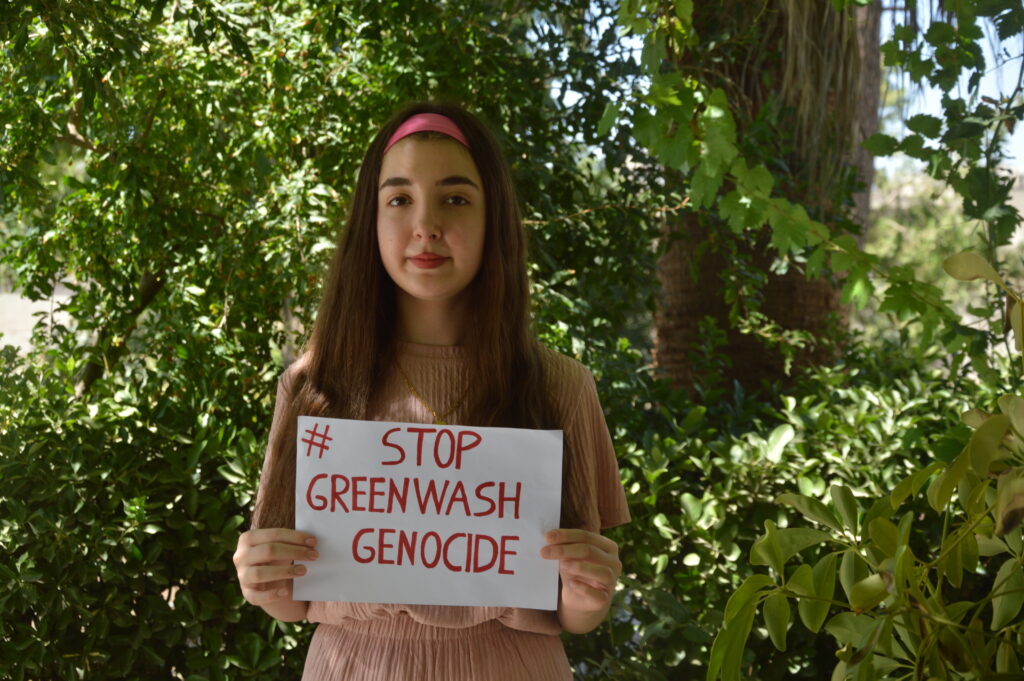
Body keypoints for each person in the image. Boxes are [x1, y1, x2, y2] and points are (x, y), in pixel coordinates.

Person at [232, 102, 630, 680]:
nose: (426, 225)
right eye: (399, 199)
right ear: (369, 221)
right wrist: (259, 580)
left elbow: (573, 610)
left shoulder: (560, 385)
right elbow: (292, 601)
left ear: (494, 218)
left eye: (456, 198)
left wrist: (589, 597)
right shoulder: (311, 385)